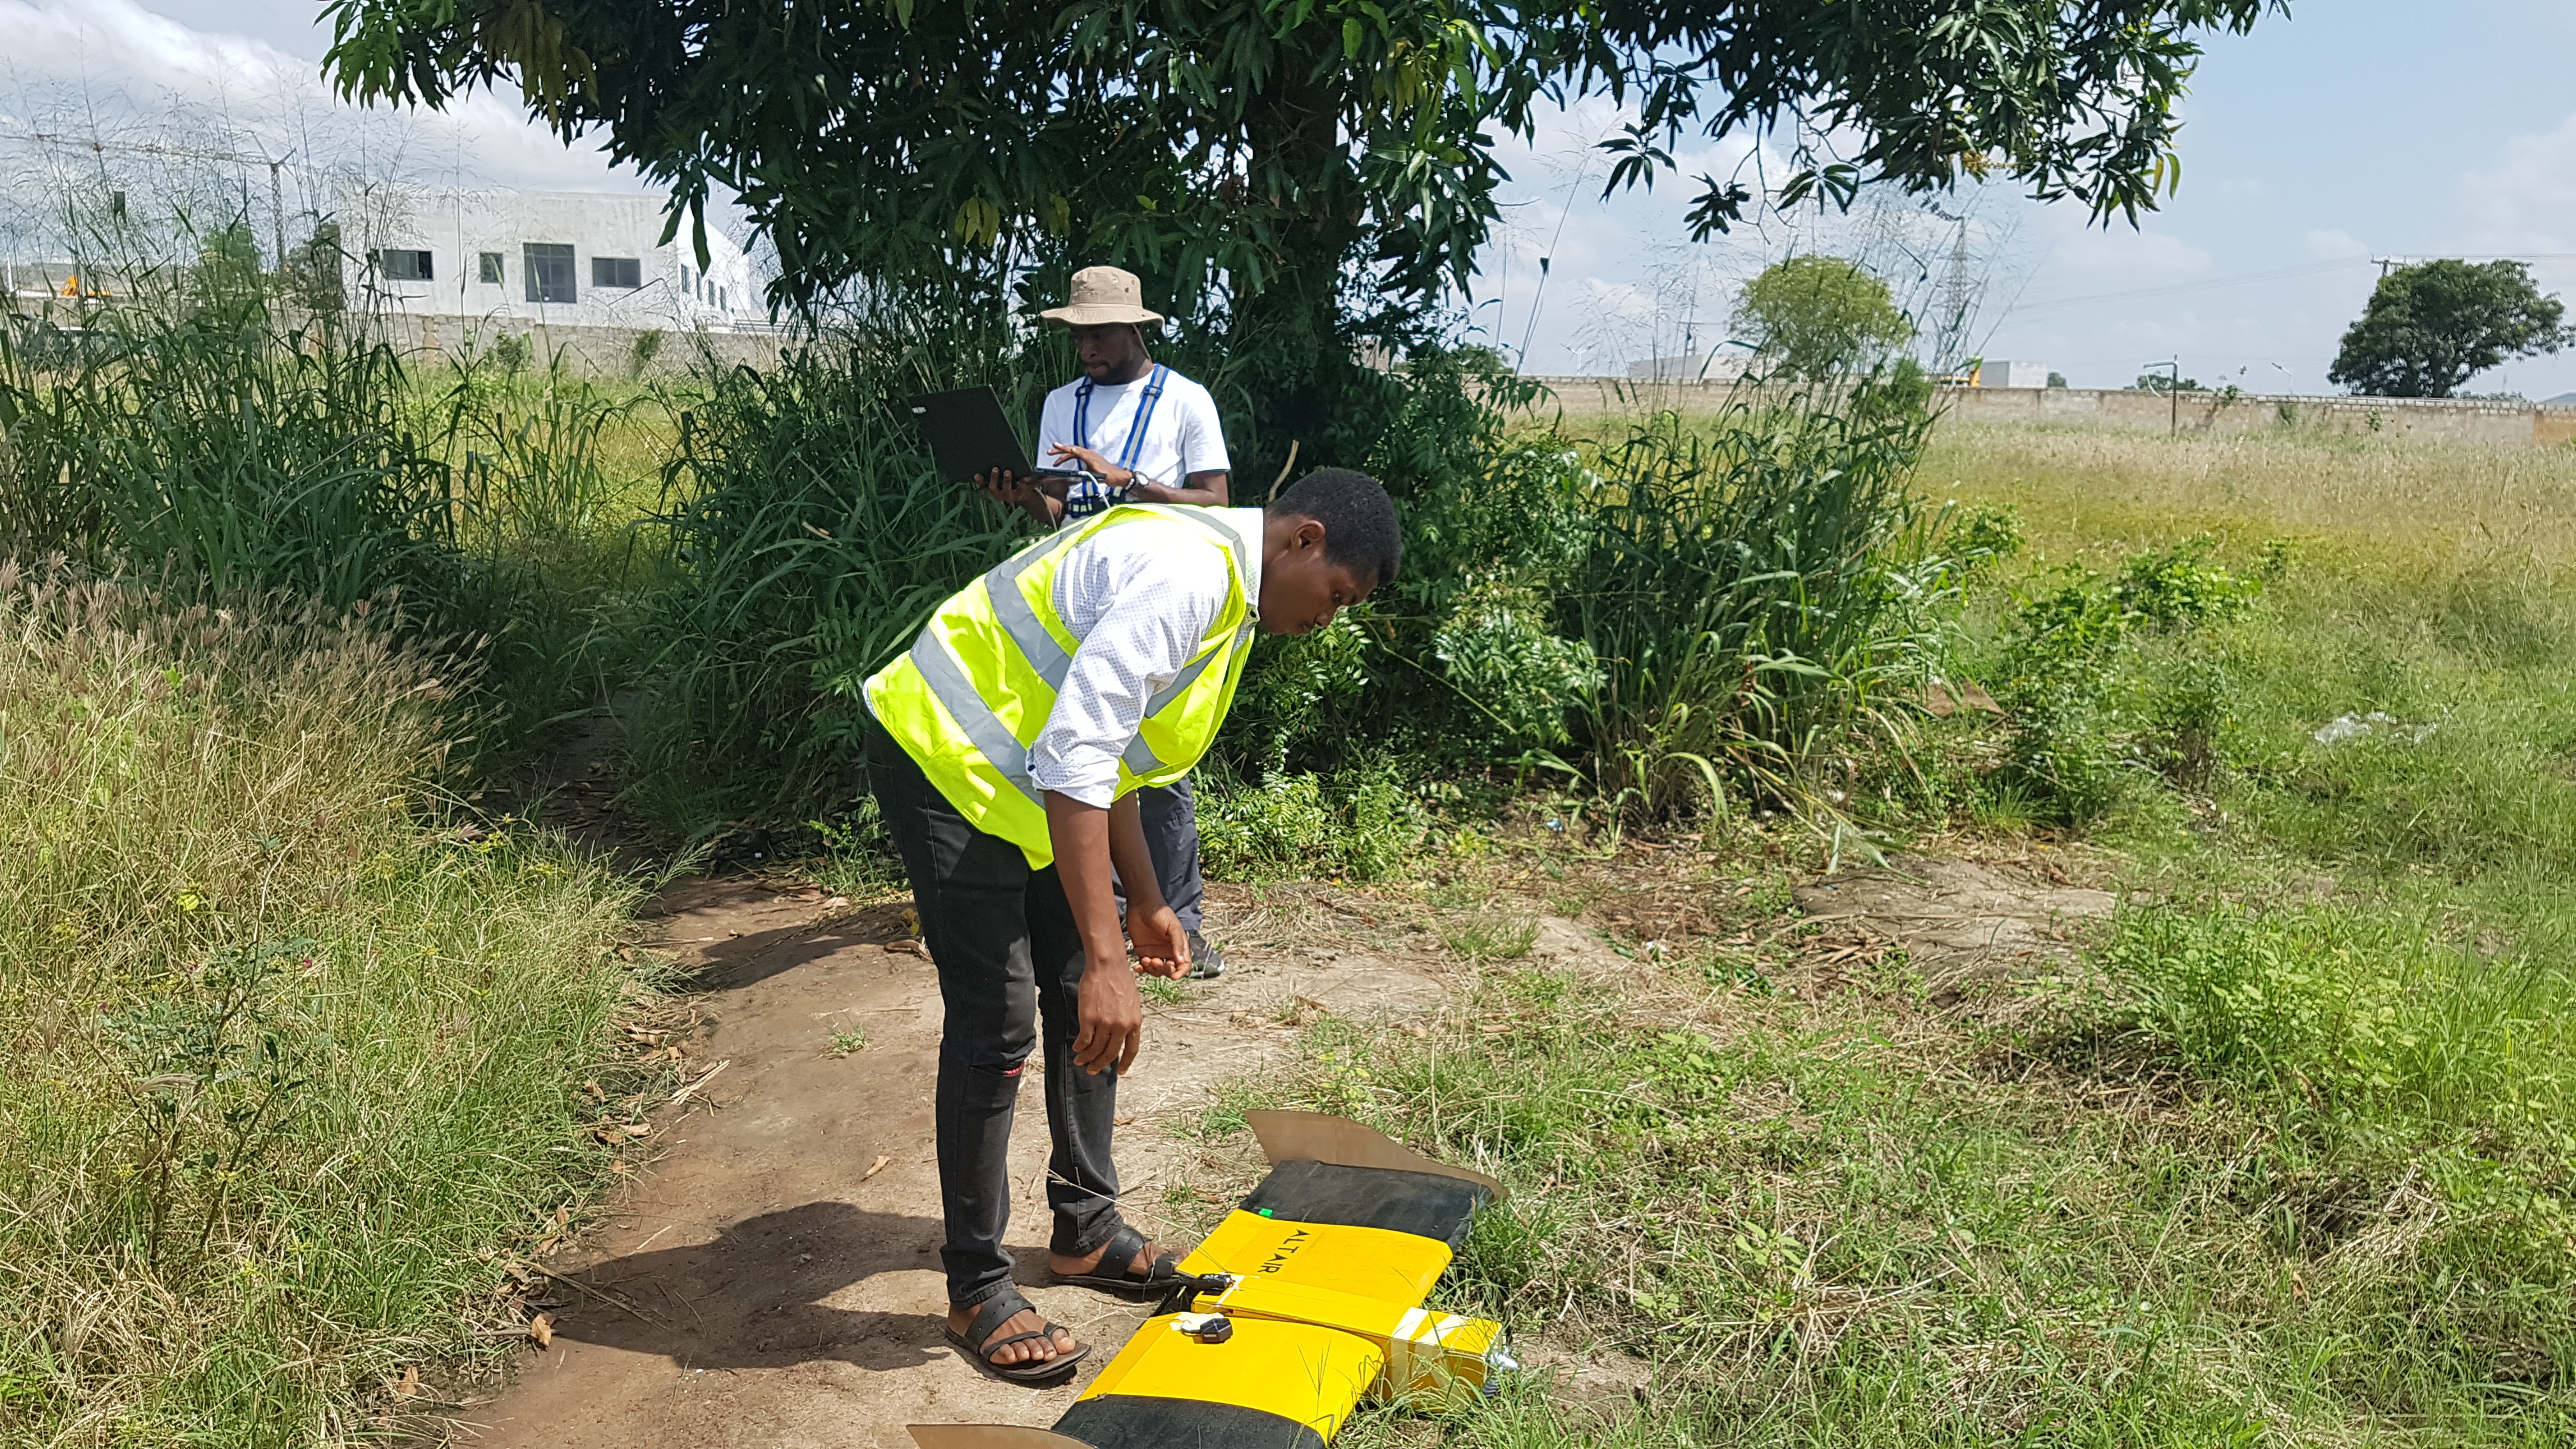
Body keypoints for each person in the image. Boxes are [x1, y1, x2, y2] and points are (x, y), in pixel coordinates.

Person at [863, 468, 1400, 1384]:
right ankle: (977, 1288)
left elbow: (1112, 755)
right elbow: (1076, 755)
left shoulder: (1232, 595)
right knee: (998, 1023)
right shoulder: (1189, 576)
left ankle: (1084, 1229)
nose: (1329, 618)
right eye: (1337, 596)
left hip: (1031, 780)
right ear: (1302, 539)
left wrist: (1143, 898)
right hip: (947, 759)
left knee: (1082, 995)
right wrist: (1108, 955)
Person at [977, 264, 1233, 979]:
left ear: (1137, 330)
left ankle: (1181, 921)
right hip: (1080, 592)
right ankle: (1102, 916)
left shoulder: (1185, 402)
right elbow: (1056, 510)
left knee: (1154, 765)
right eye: (1078, 335)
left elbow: (1216, 502)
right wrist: (1018, 494)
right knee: (1088, 753)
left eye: (1100, 335)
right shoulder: (1064, 403)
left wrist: (1131, 483)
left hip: (1163, 594)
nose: (1087, 347)